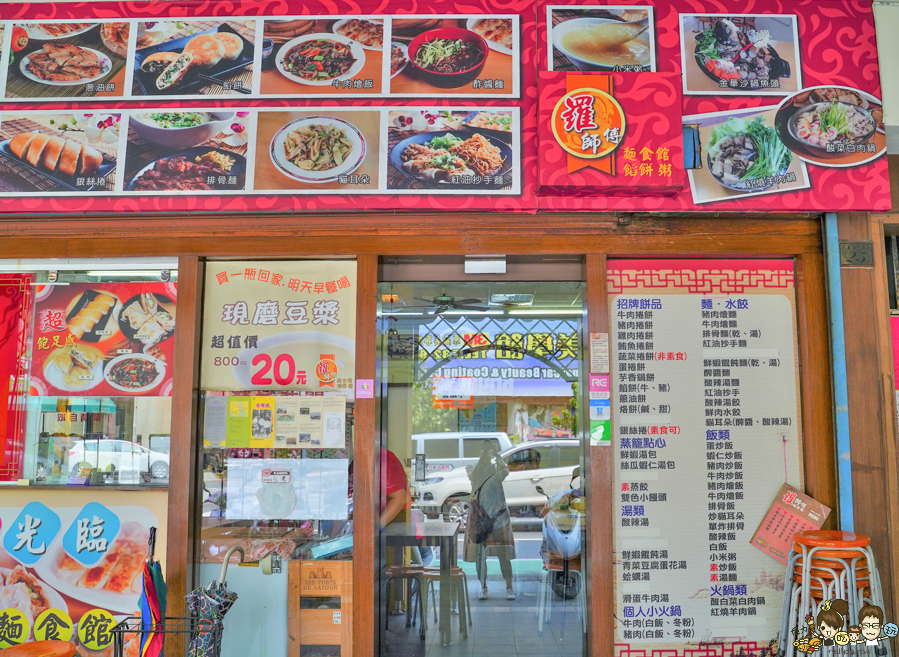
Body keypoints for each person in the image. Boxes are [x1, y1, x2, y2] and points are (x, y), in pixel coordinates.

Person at [463, 441, 516, 600]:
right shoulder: (472, 467)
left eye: (490, 448)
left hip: (499, 516)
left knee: (503, 553)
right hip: (480, 517)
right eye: (484, 448)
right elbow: (475, 478)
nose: (486, 451)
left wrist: (497, 456)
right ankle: (483, 587)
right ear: (479, 451)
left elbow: (505, 473)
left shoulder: (497, 467)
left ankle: (509, 587)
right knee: (481, 554)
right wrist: (484, 458)